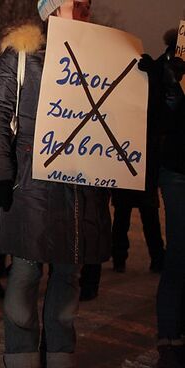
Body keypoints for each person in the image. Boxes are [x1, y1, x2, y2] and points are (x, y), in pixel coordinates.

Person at [0, 0, 111, 366]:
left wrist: (151, 78)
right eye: (74, 3)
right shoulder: (22, 56)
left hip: (84, 185)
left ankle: (60, 352)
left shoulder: (106, 57)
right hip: (30, 182)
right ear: (52, 10)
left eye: (86, 4)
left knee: (69, 273)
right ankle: (21, 354)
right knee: (25, 269)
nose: (82, 10)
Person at [140, 30, 185, 368]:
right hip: (178, 168)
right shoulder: (165, 67)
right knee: (180, 252)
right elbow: (156, 118)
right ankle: (171, 338)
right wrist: (168, 82)